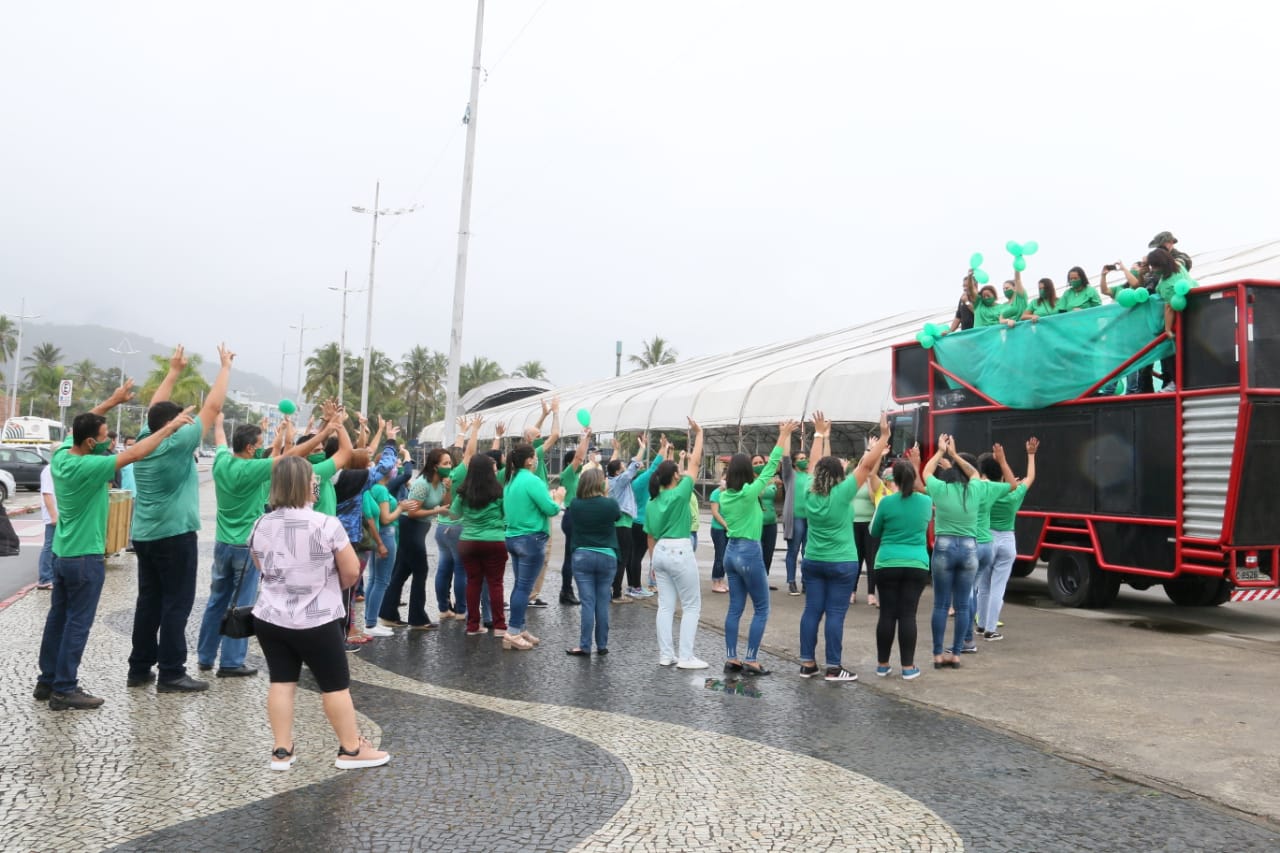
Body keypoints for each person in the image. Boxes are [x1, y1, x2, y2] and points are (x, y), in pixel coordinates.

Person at [36, 381, 193, 710]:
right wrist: (171, 428)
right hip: (85, 558)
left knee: (57, 619)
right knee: (78, 623)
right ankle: (64, 688)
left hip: (62, 554)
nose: (110, 441)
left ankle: (47, 680)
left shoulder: (62, 456)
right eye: (106, 437)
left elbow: (81, 425)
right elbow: (136, 453)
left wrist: (112, 401)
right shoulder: (90, 466)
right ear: (91, 443)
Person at [249, 456, 388, 771]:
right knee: (334, 685)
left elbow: (262, 567)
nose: (317, 483)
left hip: (271, 617)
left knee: (282, 681)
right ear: (303, 484)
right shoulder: (326, 524)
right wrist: (325, 586)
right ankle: (351, 750)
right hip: (317, 618)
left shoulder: (261, 524)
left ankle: (281, 751)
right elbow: (351, 572)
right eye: (313, 479)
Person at [127, 344, 233, 694]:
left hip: (145, 535)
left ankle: (139, 667)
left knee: (149, 602)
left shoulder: (145, 440)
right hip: (174, 536)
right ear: (172, 425)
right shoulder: (175, 443)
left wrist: (173, 372)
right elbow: (212, 408)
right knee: (176, 604)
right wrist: (225, 367)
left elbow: (155, 411)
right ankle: (172, 672)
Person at [195, 410, 333, 677]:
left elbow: (221, 439)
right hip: (245, 547)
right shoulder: (253, 469)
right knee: (242, 602)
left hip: (222, 543)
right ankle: (231, 662)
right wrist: (326, 431)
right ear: (249, 448)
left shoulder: (221, 461)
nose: (263, 448)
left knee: (216, 601)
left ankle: (205, 655)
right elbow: (292, 455)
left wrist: (219, 421)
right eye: (259, 445)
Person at [797, 412, 891, 682]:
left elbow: (814, 464)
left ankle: (807, 664)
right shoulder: (843, 492)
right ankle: (833, 667)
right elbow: (866, 466)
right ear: (840, 475)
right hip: (841, 562)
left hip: (814, 560)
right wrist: (883, 437)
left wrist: (819, 434)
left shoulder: (809, 492)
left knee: (812, 611)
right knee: (835, 614)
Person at [922, 435, 1016, 668]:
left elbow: (925, 472)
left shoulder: (940, 489)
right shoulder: (977, 488)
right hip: (969, 548)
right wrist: (955, 455)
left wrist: (940, 451)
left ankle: (937, 654)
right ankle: (956, 654)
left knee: (941, 604)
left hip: (944, 547)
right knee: (964, 604)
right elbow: (998, 480)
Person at [720, 420, 800, 676]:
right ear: (747, 472)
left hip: (730, 552)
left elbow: (768, 469)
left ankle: (732, 657)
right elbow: (771, 465)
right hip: (749, 551)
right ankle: (751, 660)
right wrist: (783, 435)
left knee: (735, 608)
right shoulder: (749, 493)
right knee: (762, 608)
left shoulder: (724, 495)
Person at [644, 418, 706, 668]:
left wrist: (652, 564)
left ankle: (666, 655)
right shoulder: (681, 493)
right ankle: (686, 656)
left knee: (665, 607)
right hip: (680, 548)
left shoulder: (652, 502)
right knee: (691, 605)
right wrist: (699, 434)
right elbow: (695, 462)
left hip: (659, 552)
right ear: (675, 476)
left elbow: (650, 536)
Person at [869, 454, 932, 680]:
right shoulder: (925, 502)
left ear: (893, 479)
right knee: (908, 614)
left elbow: (874, 531)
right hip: (916, 563)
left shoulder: (886, 502)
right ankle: (908, 667)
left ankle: (882, 665)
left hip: (887, 562)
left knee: (887, 613)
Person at [381, 447, 453, 630]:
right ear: (435, 466)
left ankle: (388, 614)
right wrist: (436, 511)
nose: (449, 466)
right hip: (410, 528)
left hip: (421, 528)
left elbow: (446, 505)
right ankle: (417, 618)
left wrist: (448, 489)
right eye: (445, 463)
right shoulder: (422, 484)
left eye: (450, 463)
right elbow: (412, 512)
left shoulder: (441, 483)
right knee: (421, 571)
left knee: (402, 571)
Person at [503, 443, 566, 650]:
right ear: (529, 460)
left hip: (513, 537)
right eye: (534, 456)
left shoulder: (511, 480)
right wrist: (558, 498)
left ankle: (519, 627)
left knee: (519, 585)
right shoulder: (533, 480)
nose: (538, 460)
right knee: (524, 588)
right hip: (531, 539)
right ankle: (513, 632)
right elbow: (550, 509)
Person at [960, 446, 1021, 652]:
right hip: (1001, 542)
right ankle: (990, 629)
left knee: (978, 588)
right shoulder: (997, 490)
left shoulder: (974, 488)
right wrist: (1026, 457)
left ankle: (977, 627)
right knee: (997, 587)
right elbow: (1018, 484)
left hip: (977, 541)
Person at [453, 418, 510, 639]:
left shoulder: (463, 491)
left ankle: (472, 625)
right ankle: (500, 626)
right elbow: (506, 515)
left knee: (473, 582)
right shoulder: (498, 491)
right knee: (495, 584)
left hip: (468, 541)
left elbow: (455, 513)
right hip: (494, 540)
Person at [977, 439, 1038, 640]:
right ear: (1002, 473)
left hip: (987, 538)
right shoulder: (1015, 494)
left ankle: (981, 625)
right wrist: (1031, 454)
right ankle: (991, 629)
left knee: (983, 586)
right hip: (1007, 541)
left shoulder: (985, 492)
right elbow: (1031, 477)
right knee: (998, 587)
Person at [566, 467, 622, 656]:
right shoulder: (610, 504)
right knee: (603, 601)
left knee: (588, 602)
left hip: (582, 555)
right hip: (607, 555)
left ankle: (585, 645)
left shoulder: (575, 504)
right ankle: (602, 645)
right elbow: (617, 517)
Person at [361, 465, 419, 638]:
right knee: (381, 581)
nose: (397, 469)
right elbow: (386, 518)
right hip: (386, 535)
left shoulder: (375, 487)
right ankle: (371, 623)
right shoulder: (380, 489)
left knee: (374, 579)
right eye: (395, 465)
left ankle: (370, 620)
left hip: (381, 535)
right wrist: (401, 509)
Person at [433, 419, 472, 623]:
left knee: (443, 568)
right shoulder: (461, 473)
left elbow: (457, 453)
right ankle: (461, 610)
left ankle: (443, 608)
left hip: (441, 526)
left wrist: (462, 432)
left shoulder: (442, 475)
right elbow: (468, 454)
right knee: (461, 570)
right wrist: (473, 431)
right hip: (457, 526)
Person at [629, 435, 669, 597]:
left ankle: (632, 586)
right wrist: (663, 447)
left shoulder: (631, 483)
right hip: (642, 523)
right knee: (637, 557)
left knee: (633, 556)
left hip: (634, 522)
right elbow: (654, 468)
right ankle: (636, 587)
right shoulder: (639, 482)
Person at [555, 431, 592, 606]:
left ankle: (567, 590)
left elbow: (579, 458)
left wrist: (588, 439)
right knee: (571, 557)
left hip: (576, 516)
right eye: (579, 461)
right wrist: (585, 438)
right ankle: (566, 591)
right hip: (572, 516)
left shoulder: (576, 476)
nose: (582, 462)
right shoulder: (568, 474)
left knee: (573, 556)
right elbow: (579, 457)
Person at [852, 463, 889, 607]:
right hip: (854, 523)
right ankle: (852, 591)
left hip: (869, 524)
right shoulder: (853, 481)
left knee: (871, 559)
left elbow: (874, 499)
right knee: (856, 558)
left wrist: (868, 481)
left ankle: (871, 594)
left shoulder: (874, 482)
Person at [780, 445, 811, 596]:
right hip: (795, 518)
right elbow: (785, 459)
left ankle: (806, 582)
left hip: (810, 519)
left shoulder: (810, 475)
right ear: (794, 462)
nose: (805, 461)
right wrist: (786, 435)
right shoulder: (790, 475)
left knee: (808, 552)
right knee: (793, 550)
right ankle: (791, 582)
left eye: (805, 458)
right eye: (801, 459)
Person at [752, 453, 781, 584]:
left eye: (761, 462)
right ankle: (754, 580)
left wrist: (778, 487)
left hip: (771, 522)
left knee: (768, 553)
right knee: (756, 553)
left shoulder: (772, 479)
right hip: (756, 523)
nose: (759, 465)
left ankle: (763, 579)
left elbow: (778, 498)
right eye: (755, 463)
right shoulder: (749, 482)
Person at [37, 460, 56, 589]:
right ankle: (45, 578)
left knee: (55, 546)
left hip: (60, 513)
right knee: (50, 546)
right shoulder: (49, 470)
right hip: (53, 514)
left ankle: (52, 576)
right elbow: (47, 493)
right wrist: (53, 515)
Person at [708, 477, 728, 593]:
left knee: (726, 556)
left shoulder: (730, 493)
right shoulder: (716, 493)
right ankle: (715, 581)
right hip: (718, 529)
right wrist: (725, 525)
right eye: (725, 478)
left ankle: (721, 580)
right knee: (720, 556)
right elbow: (715, 512)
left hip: (728, 529)